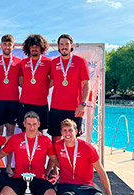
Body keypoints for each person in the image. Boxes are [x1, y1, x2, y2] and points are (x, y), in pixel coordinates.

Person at [47, 33, 91, 182]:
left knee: (72, 140)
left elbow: (86, 84)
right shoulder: (54, 63)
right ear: (58, 46)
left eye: (66, 44)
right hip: (56, 107)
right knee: (55, 139)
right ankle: (55, 171)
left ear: (71, 45)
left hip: (74, 108)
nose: (64, 47)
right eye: (61, 44)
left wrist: (83, 103)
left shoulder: (80, 61)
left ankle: (72, 171)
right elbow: (50, 82)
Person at [0, 34, 21, 177]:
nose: (7, 47)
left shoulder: (18, 62)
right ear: (1, 46)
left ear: (13, 46)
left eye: (10, 44)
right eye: (5, 44)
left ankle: (9, 166)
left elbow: (21, 81)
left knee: (10, 134)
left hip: (13, 101)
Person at [18, 34, 51, 132]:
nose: (34, 48)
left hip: (41, 102)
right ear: (28, 48)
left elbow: (53, 80)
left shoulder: (49, 62)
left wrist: (42, 87)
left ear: (42, 47)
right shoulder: (23, 62)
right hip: (25, 102)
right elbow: (20, 81)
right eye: (32, 46)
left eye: (37, 45)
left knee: (40, 131)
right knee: (25, 130)